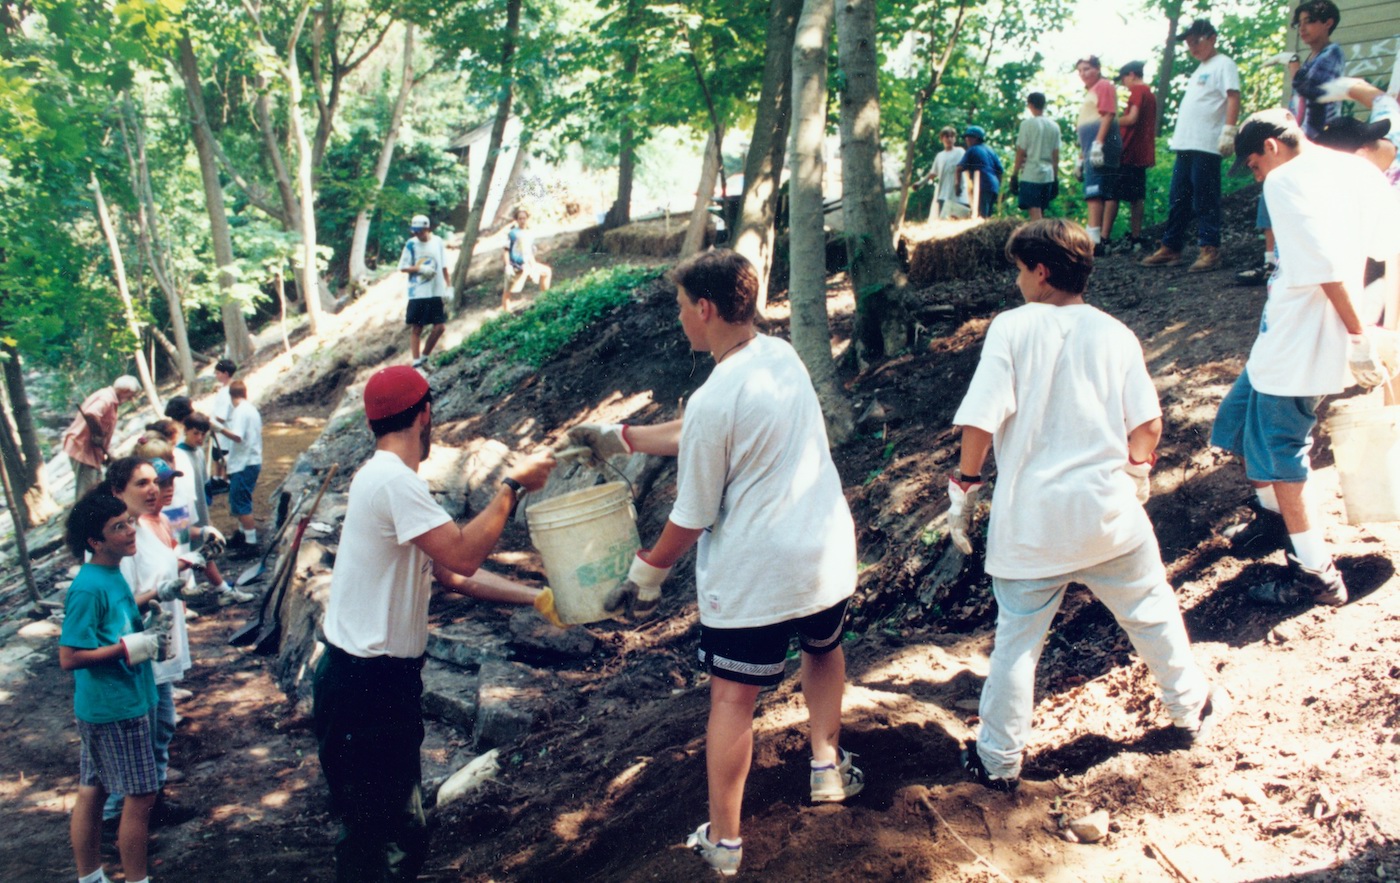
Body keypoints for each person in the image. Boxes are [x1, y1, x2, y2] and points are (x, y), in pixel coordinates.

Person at [564, 250, 864, 877]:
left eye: (681, 309)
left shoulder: (712, 397)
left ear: (704, 309)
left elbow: (693, 514)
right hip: (824, 552)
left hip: (757, 574)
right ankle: (827, 767)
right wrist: (624, 437)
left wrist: (645, 573)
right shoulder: (780, 357)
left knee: (733, 698)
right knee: (823, 648)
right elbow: (708, 430)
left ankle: (724, 842)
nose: (680, 321)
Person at [947, 219, 1227, 793]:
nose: (1019, 281)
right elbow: (1148, 425)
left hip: (1032, 528)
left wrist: (964, 486)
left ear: (1041, 271)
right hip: (1109, 518)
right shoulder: (1115, 333)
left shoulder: (1012, 328)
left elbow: (981, 418)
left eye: (1021, 270)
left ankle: (998, 761)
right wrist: (1137, 473)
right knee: (1151, 612)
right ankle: (1188, 708)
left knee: (1016, 646)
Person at [314, 365, 555, 881]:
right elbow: (465, 556)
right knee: (377, 841)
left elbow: (449, 574)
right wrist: (512, 486)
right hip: (366, 687)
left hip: (373, 684)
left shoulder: (384, 478)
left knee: (396, 830)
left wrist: (538, 598)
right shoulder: (392, 482)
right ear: (425, 414)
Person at [1213, 109, 1399, 607]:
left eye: (1253, 166)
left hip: (1301, 341)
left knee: (1280, 450)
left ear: (1272, 146)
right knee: (1236, 420)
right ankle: (1276, 519)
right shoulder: (1358, 169)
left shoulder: (1286, 179)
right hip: (1285, 332)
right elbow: (1386, 246)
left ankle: (1316, 573)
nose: (1257, 177)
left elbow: (1323, 262)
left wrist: (1360, 333)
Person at [60, 491, 161, 883]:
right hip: (116, 707)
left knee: (94, 787)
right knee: (140, 797)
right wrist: (127, 647)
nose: (130, 530)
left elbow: (114, 616)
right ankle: (138, 879)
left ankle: (90, 878)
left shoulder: (110, 572)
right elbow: (69, 657)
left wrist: (153, 598)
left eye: (128, 521)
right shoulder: (87, 587)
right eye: (118, 527)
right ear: (95, 542)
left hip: (114, 702)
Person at [99, 457, 200, 841]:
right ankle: (114, 817)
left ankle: (153, 801)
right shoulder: (123, 539)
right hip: (138, 651)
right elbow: (118, 604)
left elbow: (169, 564)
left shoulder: (147, 526)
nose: (152, 489)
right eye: (140, 483)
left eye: (152, 482)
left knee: (161, 728)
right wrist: (157, 594)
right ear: (117, 492)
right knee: (136, 738)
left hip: (161, 646)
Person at [1238, 2, 1346, 287]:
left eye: (1310, 21)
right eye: (1300, 24)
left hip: (1319, 137)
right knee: (1273, 191)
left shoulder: (1332, 54)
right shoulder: (1311, 58)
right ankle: (1272, 261)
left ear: (1328, 23)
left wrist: (1294, 67)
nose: (1304, 29)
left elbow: (1312, 91)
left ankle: (1301, 262)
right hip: (1298, 138)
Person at [1141, 19, 1240, 273]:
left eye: (1197, 41)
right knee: (1178, 197)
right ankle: (1171, 246)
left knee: (1205, 197)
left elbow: (1232, 96)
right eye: (1188, 44)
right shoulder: (1199, 69)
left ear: (1212, 38)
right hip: (1185, 143)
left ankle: (1210, 248)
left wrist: (1229, 130)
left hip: (1206, 144)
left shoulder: (1224, 64)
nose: (1193, 48)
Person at [61, 376, 141, 502]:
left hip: (90, 451)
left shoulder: (108, 397)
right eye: (131, 395)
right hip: (82, 449)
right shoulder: (107, 398)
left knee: (96, 487)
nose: (131, 399)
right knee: (86, 493)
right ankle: (84, 520)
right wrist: (98, 434)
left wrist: (104, 453)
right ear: (125, 391)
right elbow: (91, 413)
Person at [1073, 56, 1122, 254]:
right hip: (1091, 148)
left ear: (1097, 69)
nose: (1083, 74)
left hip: (1101, 147)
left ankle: (1093, 240)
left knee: (1095, 193)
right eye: (1080, 71)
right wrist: (1080, 158)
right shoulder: (1091, 92)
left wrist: (1098, 144)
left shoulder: (1103, 86)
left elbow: (1108, 113)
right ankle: (1099, 240)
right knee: (1102, 191)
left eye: (1087, 69)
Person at [1109, 61, 1159, 253]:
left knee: (1113, 195)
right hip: (1141, 152)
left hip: (1128, 150)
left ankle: (1104, 239)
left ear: (1131, 74)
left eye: (1123, 79)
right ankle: (1136, 238)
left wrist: (1108, 121)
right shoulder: (1150, 94)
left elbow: (1131, 119)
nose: (1124, 84)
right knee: (1137, 196)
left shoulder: (1138, 92)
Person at [211, 380, 262, 551]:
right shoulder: (251, 409)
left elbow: (237, 436)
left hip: (245, 463)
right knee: (238, 499)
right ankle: (242, 534)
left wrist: (218, 428)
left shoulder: (241, 411)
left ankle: (251, 543)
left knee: (241, 502)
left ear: (230, 395)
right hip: (248, 460)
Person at [398, 214, 449, 369]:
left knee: (439, 327)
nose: (417, 234)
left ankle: (425, 357)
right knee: (417, 327)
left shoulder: (438, 242)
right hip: (418, 291)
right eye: (415, 231)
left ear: (427, 229)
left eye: (420, 231)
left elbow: (444, 265)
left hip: (435, 290)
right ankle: (416, 362)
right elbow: (402, 267)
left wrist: (449, 286)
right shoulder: (411, 244)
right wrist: (420, 268)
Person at [1010, 92, 1060, 221]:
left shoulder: (1027, 125)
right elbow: (1056, 155)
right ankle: (1042, 236)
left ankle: (1040, 238)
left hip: (1031, 174)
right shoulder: (1054, 126)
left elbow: (1021, 151)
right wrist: (1055, 178)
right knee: (1040, 211)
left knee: (1034, 212)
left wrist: (1014, 174)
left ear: (1030, 105)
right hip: (1048, 175)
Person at [502, 207, 552, 311]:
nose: (522, 220)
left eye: (524, 218)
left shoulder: (530, 233)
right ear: (517, 220)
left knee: (546, 271)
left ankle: (546, 299)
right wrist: (507, 266)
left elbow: (529, 253)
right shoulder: (513, 233)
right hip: (515, 265)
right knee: (507, 291)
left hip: (527, 264)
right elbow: (506, 250)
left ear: (527, 219)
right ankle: (506, 314)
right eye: (520, 218)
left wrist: (533, 265)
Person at [957, 125, 1003, 218]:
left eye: (969, 137)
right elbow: (1000, 170)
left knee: (980, 216)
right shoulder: (990, 150)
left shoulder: (972, 150)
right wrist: (998, 186)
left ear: (976, 138)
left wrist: (957, 186)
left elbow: (959, 168)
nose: (966, 139)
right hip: (993, 187)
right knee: (987, 215)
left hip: (981, 186)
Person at [927, 125, 971, 219]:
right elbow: (933, 173)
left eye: (952, 136)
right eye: (947, 136)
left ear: (955, 139)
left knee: (960, 222)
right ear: (942, 138)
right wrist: (920, 183)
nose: (949, 139)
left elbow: (966, 169)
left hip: (959, 195)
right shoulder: (940, 156)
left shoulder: (960, 151)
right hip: (943, 195)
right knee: (944, 223)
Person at [208, 359, 237, 494]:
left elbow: (222, 415)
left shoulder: (227, 392)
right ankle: (217, 477)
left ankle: (225, 480)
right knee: (217, 455)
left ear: (226, 373)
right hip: (222, 427)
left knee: (222, 455)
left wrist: (211, 420)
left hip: (224, 427)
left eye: (218, 373)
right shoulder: (227, 389)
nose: (216, 375)